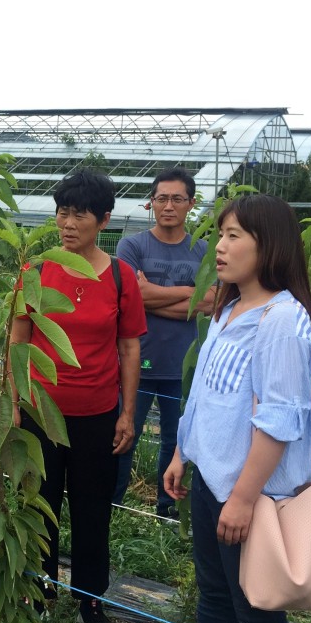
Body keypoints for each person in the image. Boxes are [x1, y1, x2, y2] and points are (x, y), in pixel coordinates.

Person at [153, 194, 311, 623]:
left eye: (233, 237)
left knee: (261, 608)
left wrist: (244, 498)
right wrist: (183, 452)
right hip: (212, 481)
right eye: (221, 234)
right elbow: (205, 394)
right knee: (216, 594)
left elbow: (279, 420)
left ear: (266, 245)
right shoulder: (230, 307)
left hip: (251, 494)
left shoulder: (281, 321)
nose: (219, 247)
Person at [10, 169, 145, 623]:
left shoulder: (120, 277)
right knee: (41, 502)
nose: (67, 223)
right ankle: (41, 590)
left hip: (97, 413)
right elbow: (18, 341)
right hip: (43, 412)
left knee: (92, 509)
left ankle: (90, 601)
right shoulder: (37, 272)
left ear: (104, 219)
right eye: (62, 212)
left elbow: (129, 348)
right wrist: (14, 403)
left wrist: (127, 413)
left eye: (79, 214)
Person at [114, 167, 215, 514]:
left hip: (185, 366)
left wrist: (152, 295)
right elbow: (131, 297)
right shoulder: (132, 245)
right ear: (150, 204)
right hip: (136, 363)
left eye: (177, 198)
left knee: (177, 443)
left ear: (191, 204)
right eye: (161, 198)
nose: (168, 205)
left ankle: (166, 512)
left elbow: (213, 302)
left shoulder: (204, 250)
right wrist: (192, 293)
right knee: (124, 437)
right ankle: (112, 506)